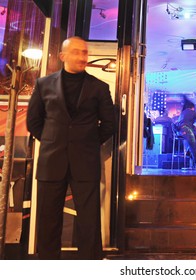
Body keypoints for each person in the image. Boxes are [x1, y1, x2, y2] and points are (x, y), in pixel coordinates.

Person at [26, 36, 115, 259]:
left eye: (85, 52)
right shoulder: (43, 84)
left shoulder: (100, 87)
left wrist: (89, 143)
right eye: (76, 52)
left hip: (85, 161)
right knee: (48, 219)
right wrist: (51, 141)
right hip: (51, 160)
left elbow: (110, 124)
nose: (82, 57)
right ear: (63, 56)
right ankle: (48, 266)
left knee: (89, 220)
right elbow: (34, 122)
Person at [175, 102, 196, 170]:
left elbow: (184, 122)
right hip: (186, 130)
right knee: (194, 147)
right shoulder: (192, 112)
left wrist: (193, 126)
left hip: (180, 131)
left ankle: (189, 152)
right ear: (192, 107)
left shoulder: (183, 113)